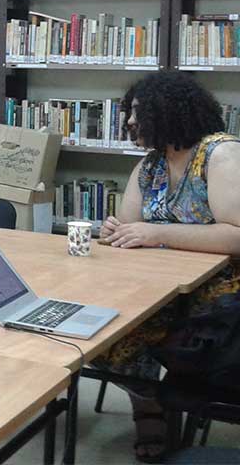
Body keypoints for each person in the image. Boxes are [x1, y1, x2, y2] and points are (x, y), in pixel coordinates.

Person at [96, 72, 240, 463]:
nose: (128, 122)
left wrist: (154, 232)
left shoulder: (220, 153)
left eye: (138, 113)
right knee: (103, 334)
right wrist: (115, 230)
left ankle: (164, 408)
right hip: (160, 287)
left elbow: (235, 234)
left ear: (171, 112)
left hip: (221, 296)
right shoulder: (150, 165)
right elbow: (129, 228)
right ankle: (150, 408)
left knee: (136, 333)